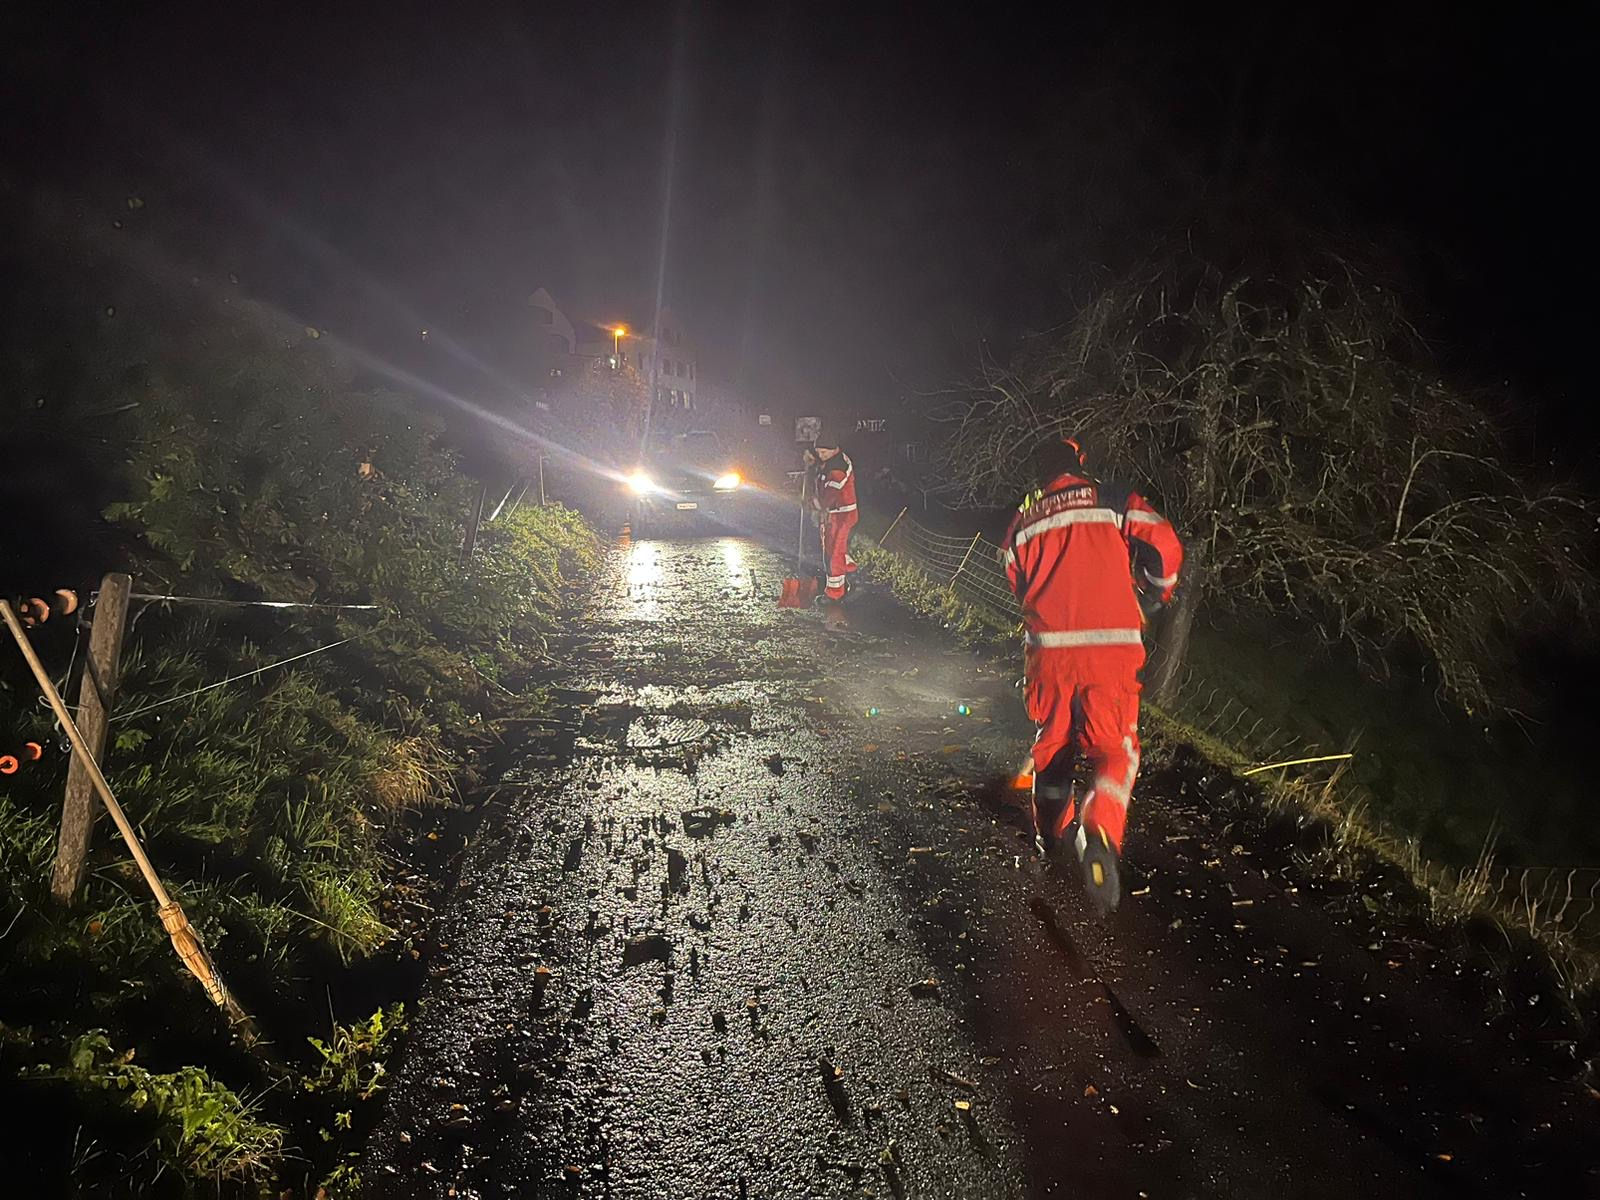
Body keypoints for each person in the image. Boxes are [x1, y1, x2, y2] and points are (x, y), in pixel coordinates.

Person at [1002, 435, 1183, 912]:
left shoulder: (1023, 521)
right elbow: (1164, 545)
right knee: (1114, 753)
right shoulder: (1112, 500)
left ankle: (1049, 838)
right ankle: (1099, 830)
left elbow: (1015, 579)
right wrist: (1153, 593)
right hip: (1109, 657)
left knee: (1053, 746)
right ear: (1079, 465)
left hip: (1049, 658)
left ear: (1040, 476)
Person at [812, 437, 858, 601]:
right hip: (835, 513)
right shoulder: (831, 460)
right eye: (818, 452)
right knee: (833, 550)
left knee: (833, 555)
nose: (821, 455)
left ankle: (835, 593)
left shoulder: (837, 468)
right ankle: (850, 576)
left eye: (823, 452)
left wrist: (819, 506)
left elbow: (831, 493)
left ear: (834, 449)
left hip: (841, 515)